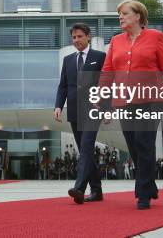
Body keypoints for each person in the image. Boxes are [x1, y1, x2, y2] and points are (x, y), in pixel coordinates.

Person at [100, 0, 163, 210]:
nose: (121, 17)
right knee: (133, 144)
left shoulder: (156, 37)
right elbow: (107, 72)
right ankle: (150, 184)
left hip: (152, 99)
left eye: (125, 13)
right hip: (124, 100)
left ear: (138, 16)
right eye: (120, 14)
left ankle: (142, 193)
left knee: (144, 141)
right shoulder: (116, 41)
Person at [54, 22, 106, 204]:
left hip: (94, 110)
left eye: (80, 37)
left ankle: (79, 188)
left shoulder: (100, 57)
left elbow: (107, 84)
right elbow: (63, 85)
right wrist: (58, 106)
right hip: (75, 110)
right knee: (86, 151)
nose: (76, 40)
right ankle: (97, 190)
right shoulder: (68, 60)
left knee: (86, 147)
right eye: (74, 37)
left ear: (88, 36)